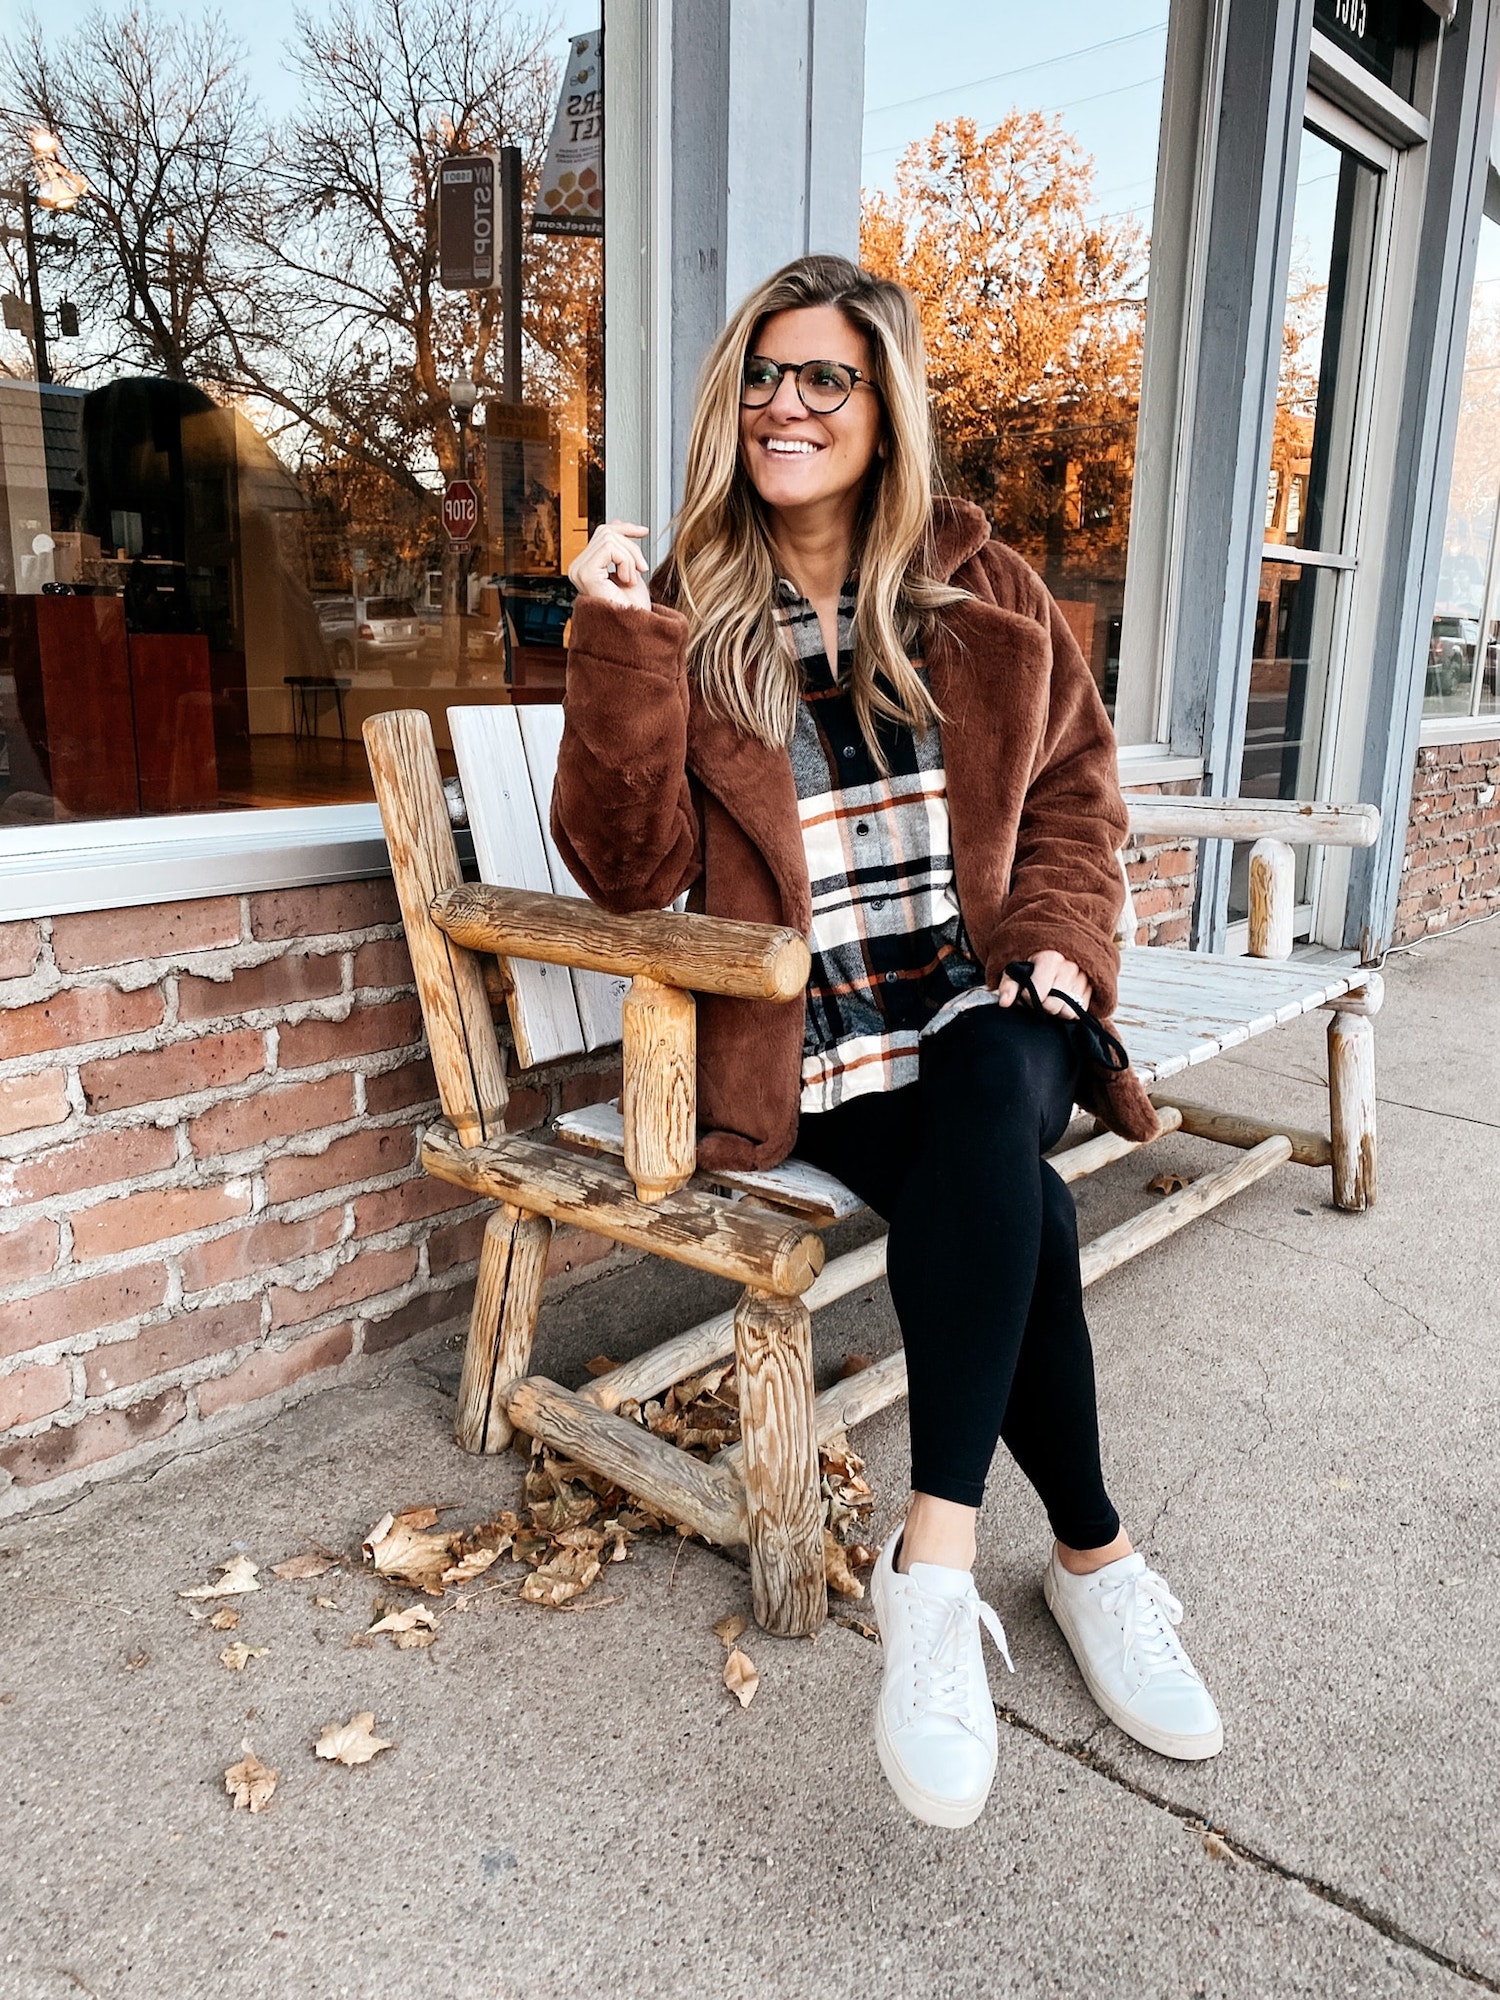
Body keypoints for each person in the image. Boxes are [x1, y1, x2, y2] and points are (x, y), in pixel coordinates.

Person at [554, 254, 1222, 1829]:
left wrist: (1058, 951)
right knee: (1025, 1204)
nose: (788, 405)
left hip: (997, 995)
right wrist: (617, 646)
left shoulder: (985, 596)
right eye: (765, 378)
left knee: (995, 1073)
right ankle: (1091, 1560)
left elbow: (1077, 799)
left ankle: (929, 1569)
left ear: (883, 407)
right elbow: (624, 868)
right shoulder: (693, 612)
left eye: (825, 380)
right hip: (828, 1049)